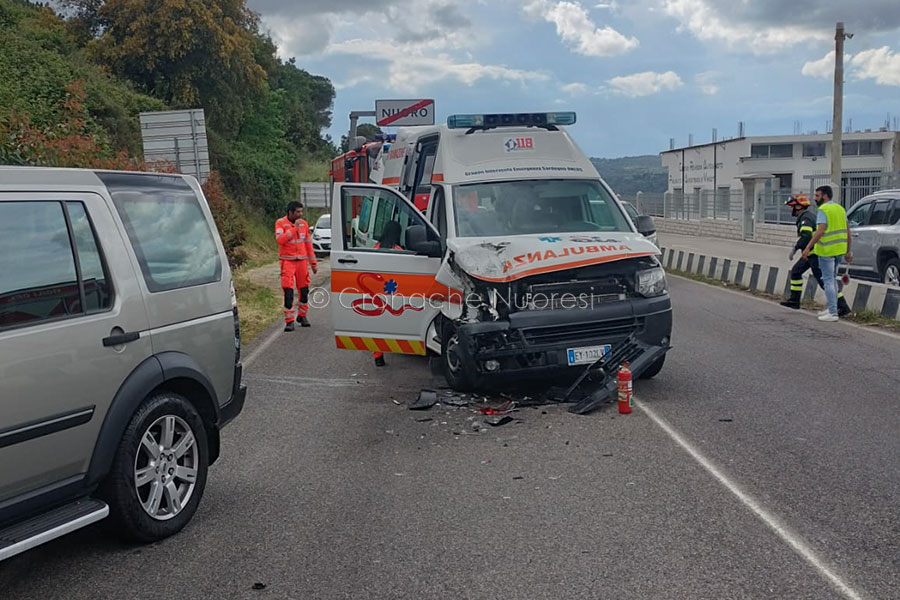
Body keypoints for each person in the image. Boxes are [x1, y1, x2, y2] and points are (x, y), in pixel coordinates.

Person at [780, 193, 851, 315]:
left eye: (791, 206)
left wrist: (796, 248)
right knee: (796, 271)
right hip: (811, 254)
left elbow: (807, 236)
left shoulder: (805, 219)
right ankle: (794, 301)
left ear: (798, 207)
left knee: (825, 281)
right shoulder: (808, 216)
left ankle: (842, 306)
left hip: (815, 254)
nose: (790, 209)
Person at [802, 185, 851, 322]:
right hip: (839, 250)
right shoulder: (840, 209)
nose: (814, 198)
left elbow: (820, 230)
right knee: (832, 279)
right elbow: (848, 231)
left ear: (825, 196)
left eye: (817, 196)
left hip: (827, 251)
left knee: (828, 280)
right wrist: (848, 250)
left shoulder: (823, 210)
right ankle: (832, 309)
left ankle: (833, 313)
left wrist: (808, 247)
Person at [275, 201, 318, 332]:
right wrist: (294, 229)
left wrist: (313, 263)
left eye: (301, 212)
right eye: (298, 212)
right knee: (288, 291)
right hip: (287, 262)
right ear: (290, 212)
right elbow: (280, 240)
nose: (300, 214)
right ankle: (289, 321)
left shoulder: (304, 225)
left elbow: (308, 245)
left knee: (304, 290)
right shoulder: (280, 223)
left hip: (302, 262)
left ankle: (302, 316)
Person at [371, 221, 402, 367]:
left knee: (378, 324)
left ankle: (378, 356)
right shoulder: (398, 250)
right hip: (393, 291)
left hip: (376, 291)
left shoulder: (375, 248)